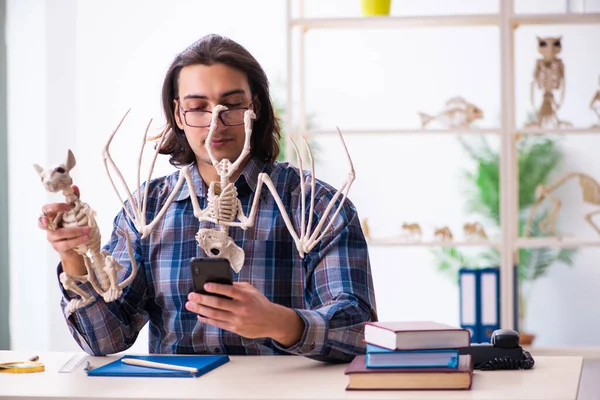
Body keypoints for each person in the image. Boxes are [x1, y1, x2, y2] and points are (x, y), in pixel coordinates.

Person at [38, 33, 377, 363]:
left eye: (231, 105)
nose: (216, 124)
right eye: (198, 107)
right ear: (178, 115)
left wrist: (282, 323)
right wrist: (74, 256)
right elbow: (104, 340)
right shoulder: (148, 208)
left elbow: (359, 330)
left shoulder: (316, 205)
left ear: (254, 107)